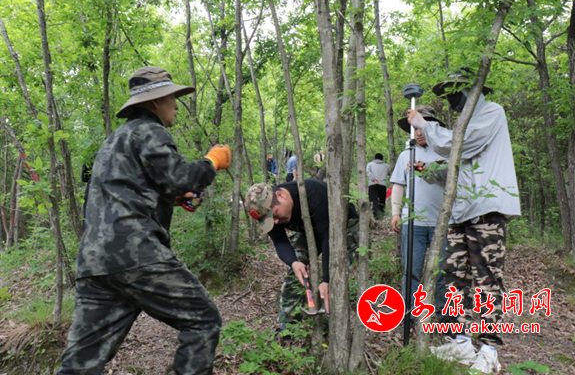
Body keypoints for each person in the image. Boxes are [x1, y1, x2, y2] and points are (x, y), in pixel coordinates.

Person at [56, 66, 231, 375]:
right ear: (155, 102)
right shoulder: (149, 130)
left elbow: (124, 192)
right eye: (172, 98)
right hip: (137, 254)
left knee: (80, 363)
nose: (176, 105)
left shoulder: (113, 141)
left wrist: (170, 199)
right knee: (203, 320)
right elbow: (180, 177)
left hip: (95, 264)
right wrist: (212, 161)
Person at [407, 69, 520, 374]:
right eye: (448, 94)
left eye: (454, 92)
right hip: (461, 212)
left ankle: (489, 349)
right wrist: (429, 171)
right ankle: (461, 342)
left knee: (487, 280)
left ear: (471, 90)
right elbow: (456, 166)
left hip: (487, 209)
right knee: (455, 278)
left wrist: (425, 125)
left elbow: (463, 145)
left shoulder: (492, 113)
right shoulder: (463, 125)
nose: (451, 99)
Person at [244, 179, 358, 331]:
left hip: (342, 226)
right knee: (297, 271)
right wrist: (294, 263)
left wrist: (326, 280)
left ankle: (331, 324)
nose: (276, 222)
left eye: (275, 215)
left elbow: (328, 239)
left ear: (280, 195)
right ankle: (287, 328)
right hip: (309, 230)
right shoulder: (271, 213)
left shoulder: (313, 193)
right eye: (271, 220)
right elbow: (280, 241)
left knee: (336, 276)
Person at [390, 106, 447, 320]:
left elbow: (449, 179)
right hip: (413, 223)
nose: (420, 132)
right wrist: (396, 213)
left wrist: (424, 169)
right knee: (411, 271)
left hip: (442, 222)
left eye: (423, 127)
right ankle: (410, 314)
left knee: (441, 272)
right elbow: (398, 185)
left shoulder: (444, 153)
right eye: (415, 128)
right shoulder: (406, 154)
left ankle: (444, 315)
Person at [366, 153, 390, 219]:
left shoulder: (370, 164)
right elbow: (390, 173)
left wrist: (373, 179)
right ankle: (381, 215)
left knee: (373, 201)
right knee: (382, 201)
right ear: (382, 158)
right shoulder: (387, 166)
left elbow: (368, 172)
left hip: (372, 184)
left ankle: (376, 216)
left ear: (375, 158)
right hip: (382, 185)